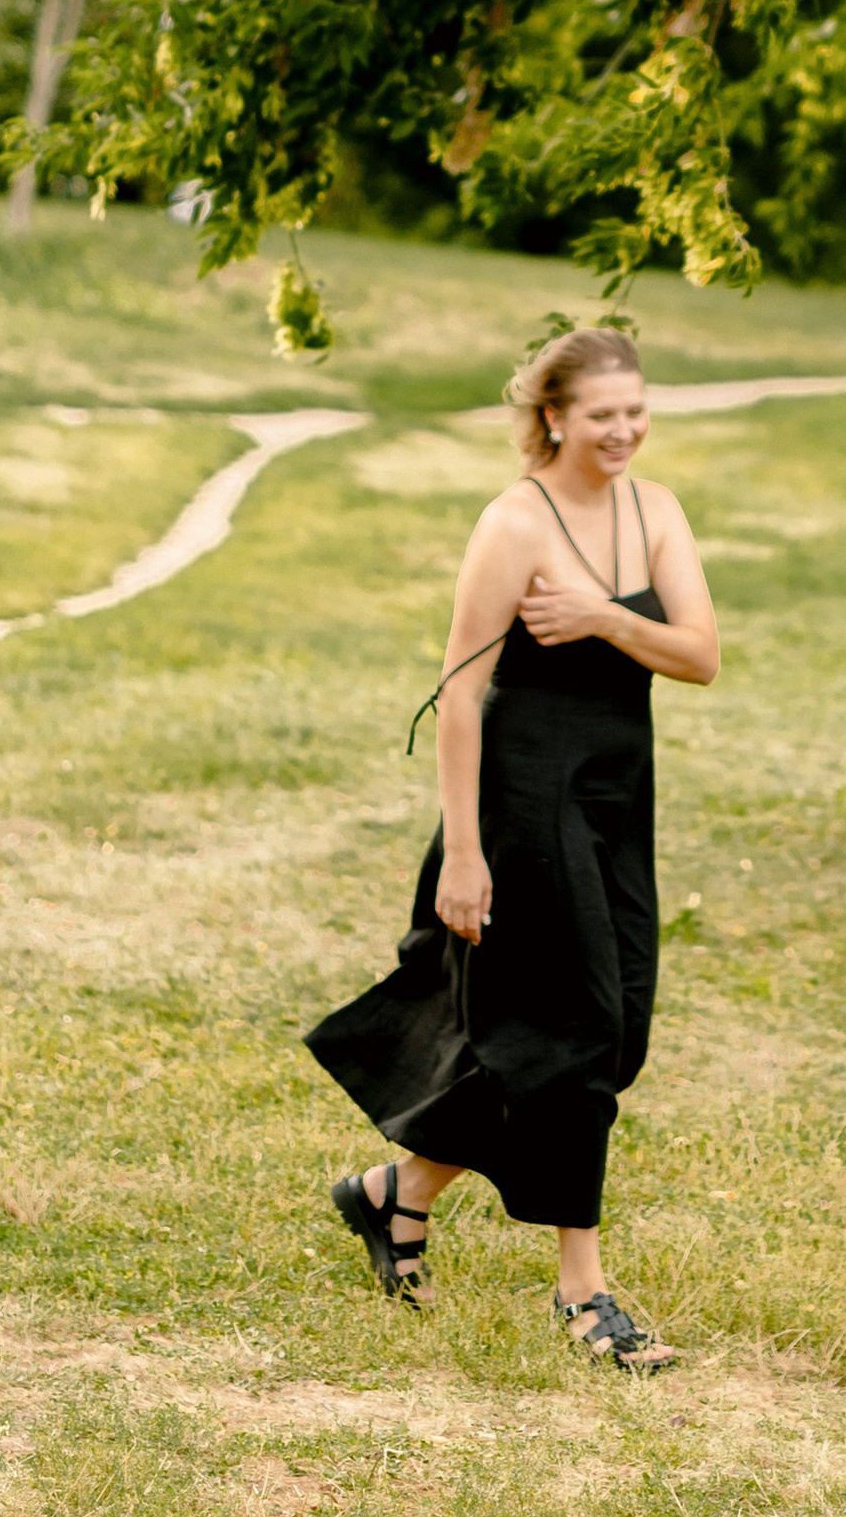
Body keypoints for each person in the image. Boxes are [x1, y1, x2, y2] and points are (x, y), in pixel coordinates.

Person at [306, 322, 719, 1372]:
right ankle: (584, 1294)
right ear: (552, 416)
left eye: (635, 411)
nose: (623, 431)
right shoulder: (512, 522)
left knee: (613, 1026)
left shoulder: (655, 509)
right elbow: (455, 691)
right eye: (601, 415)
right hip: (522, 797)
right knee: (575, 1030)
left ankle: (393, 1193)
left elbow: (701, 653)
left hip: (617, 798)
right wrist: (463, 849)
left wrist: (598, 615)